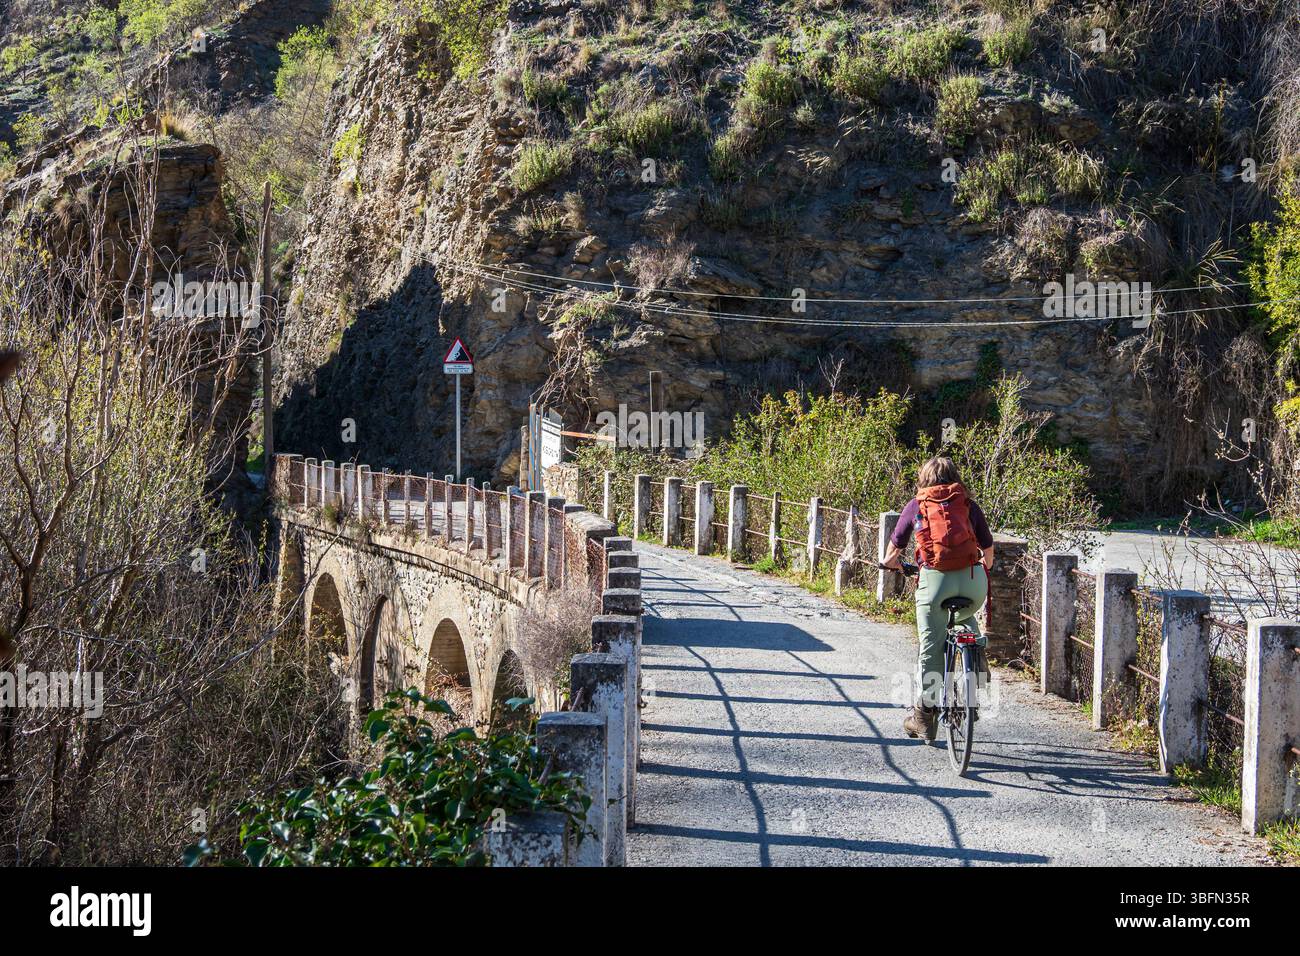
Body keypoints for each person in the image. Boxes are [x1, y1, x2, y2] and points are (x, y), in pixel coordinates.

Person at [881, 456, 994, 742]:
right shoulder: (967, 504)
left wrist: (895, 565)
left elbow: (891, 557)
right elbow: (988, 555)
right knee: (967, 620)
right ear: (955, 477)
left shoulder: (916, 506)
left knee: (930, 647)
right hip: (973, 583)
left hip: (934, 584)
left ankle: (923, 716)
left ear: (923, 479)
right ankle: (974, 681)